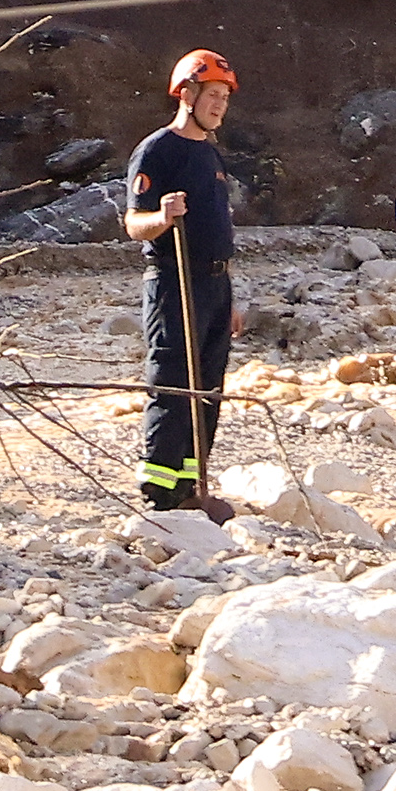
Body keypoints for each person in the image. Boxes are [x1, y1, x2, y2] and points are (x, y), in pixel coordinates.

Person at [126, 49, 243, 518]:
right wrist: (163, 215)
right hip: (174, 282)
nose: (219, 105)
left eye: (224, 98)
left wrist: (229, 295)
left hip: (214, 286)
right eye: (212, 95)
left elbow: (218, 229)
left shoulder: (210, 154)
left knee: (208, 388)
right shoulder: (158, 150)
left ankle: (194, 485)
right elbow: (134, 223)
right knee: (173, 383)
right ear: (187, 95)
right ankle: (160, 492)